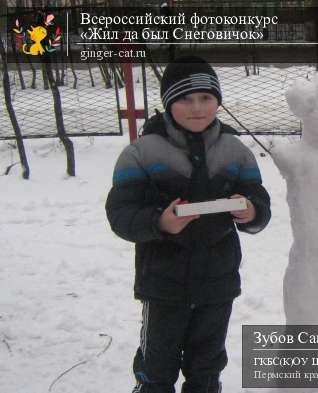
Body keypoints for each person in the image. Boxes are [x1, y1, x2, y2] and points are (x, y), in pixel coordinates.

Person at [105, 55, 271, 393]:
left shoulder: (235, 151)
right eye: (186, 99)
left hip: (217, 283)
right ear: (168, 103)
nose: (197, 108)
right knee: (156, 367)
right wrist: (159, 222)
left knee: (207, 367)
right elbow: (121, 213)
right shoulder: (142, 153)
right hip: (163, 284)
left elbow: (259, 199)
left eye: (206, 98)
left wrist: (252, 213)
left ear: (218, 102)